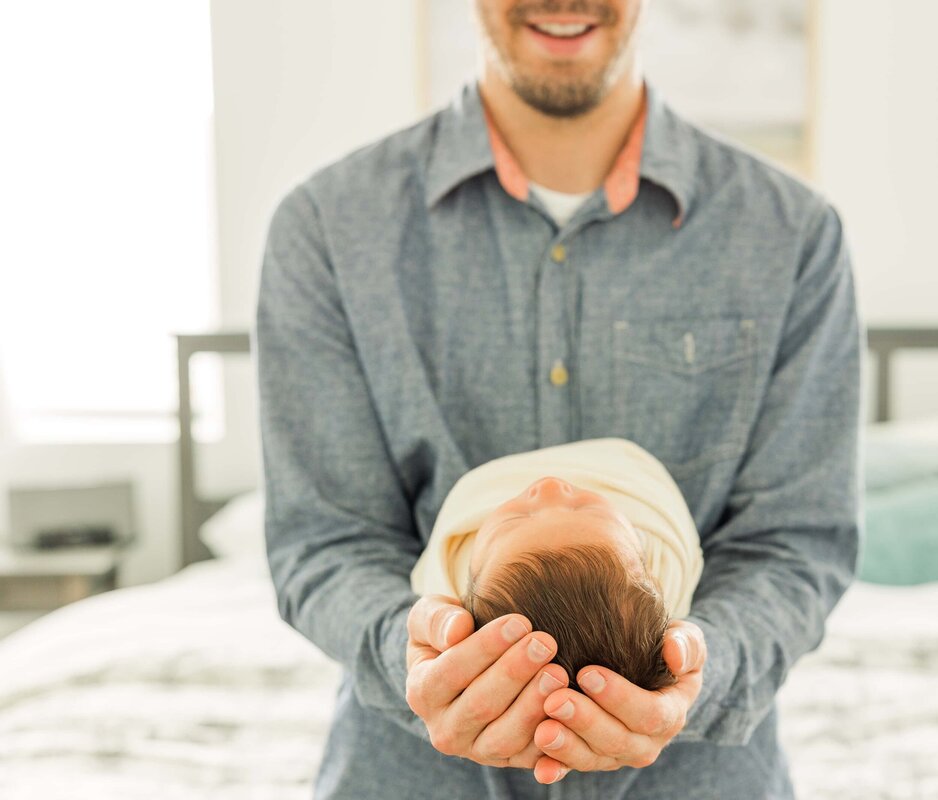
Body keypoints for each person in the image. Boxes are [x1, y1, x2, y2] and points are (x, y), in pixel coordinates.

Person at [255, 0, 863, 796]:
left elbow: (796, 543)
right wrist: (420, 653)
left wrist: (691, 674)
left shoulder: (792, 236)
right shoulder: (328, 231)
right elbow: (324, 541)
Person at [409, 437, 705, 692]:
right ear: (651, 573)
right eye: (586, 510)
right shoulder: (667, 557)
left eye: (515, 521)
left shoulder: (450, 573)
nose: (549, 485)